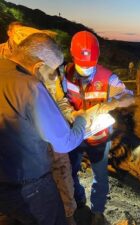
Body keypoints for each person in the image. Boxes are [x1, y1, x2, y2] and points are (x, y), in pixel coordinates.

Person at [0, 33, 87, 225]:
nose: (52, 79)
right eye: (51, 72)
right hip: (30, 186)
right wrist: (82, 120)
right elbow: (65, 142)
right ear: (39, 65)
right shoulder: (30, 87)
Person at [64, 31, 134, 225]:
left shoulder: (107, 77)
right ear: (73, 56)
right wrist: (71, 114)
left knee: (100, 176)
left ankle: (97, 212)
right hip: (75, 136)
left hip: (99, 138)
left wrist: (111, 104)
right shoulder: (64, 74)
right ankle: (79, 203)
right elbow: (57, 99)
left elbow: (129, 97)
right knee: (69, 172)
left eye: (90, 65)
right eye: (82, 64)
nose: (86, 69)